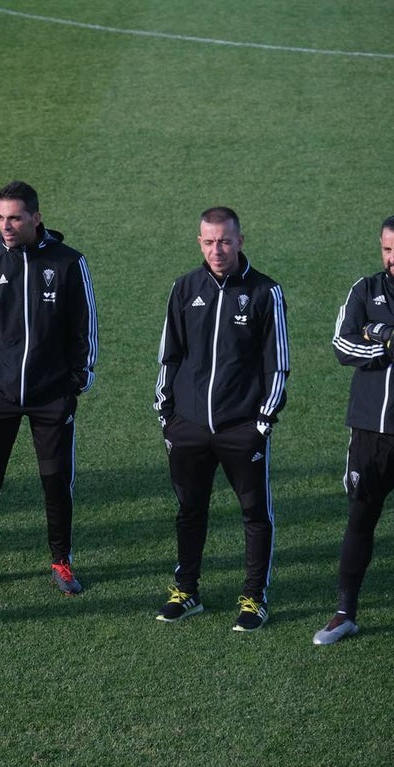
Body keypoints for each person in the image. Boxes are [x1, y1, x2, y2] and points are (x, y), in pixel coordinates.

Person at [0, 181, 98, 597]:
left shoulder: (69, 263)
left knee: (56, 481)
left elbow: (85, 326)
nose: (6, 226)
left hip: (53, 396)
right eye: (0, 218)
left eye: (14, 217)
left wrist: (76, 384)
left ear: (36, 217)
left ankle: (61, 562)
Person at [153, 206, 289, 632]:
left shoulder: (266, 292)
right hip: (188, 428)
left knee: (254, 514)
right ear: (199, 242)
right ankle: (187, 590)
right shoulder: (184, 288)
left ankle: (253, 598)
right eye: (209, 242)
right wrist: (166, 416)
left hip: (241, 429)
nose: (217, 249)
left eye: (225, 241)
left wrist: (262, 422)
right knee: (189, 511)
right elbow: (169, 355)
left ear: (240, 240)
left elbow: (277, 365)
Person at [314, 215, 394, 645]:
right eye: (387, 249)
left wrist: (378, 330)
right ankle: (344, 612)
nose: (392, 258)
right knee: (360, 520)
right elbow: (342, 345)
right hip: (371, 433)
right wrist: (384, 343)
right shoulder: (366, 290)